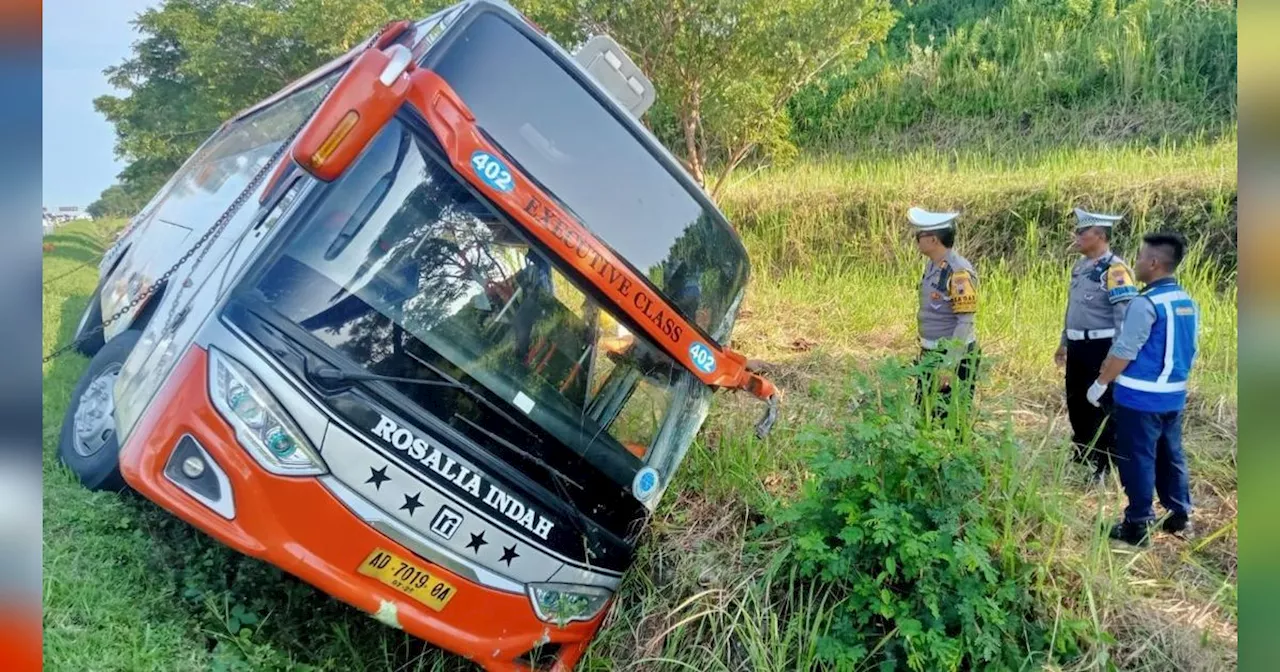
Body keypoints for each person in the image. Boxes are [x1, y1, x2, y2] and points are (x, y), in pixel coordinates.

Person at [1087, 232, 1198, 546]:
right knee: (1171, 454)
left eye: (1139, 258)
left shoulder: (1145, 302)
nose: (1134, 263)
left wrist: (1100, 383)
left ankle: (1137, 524)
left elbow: (1125, 350)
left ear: (1153, 263)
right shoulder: (1185, 301)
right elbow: (1191, 349)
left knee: (1137, 458)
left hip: (1139, 398)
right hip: (1173, 395)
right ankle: (1179, 515)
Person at [1055, 208, 1138, 483]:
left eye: (1082, 232)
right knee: (1076, 401)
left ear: (1100, 236)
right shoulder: (1080, 267)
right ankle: (1083, 454)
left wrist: (1115, 355)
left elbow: (1125, 316)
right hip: (1078, 346)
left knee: (1101, 405)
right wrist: (1064, 342)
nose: (1076, 237)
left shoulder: (1115, 269)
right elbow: (1073, 309)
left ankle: (1104, 464)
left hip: (1101, 346)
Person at [909, 207, 980, 420]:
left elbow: (965, 321)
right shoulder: (934, 266)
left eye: (918, 235)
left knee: (949, 421)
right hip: (932, 353)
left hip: (951, 357)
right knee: (925, 415)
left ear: (933, 240)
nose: (916, 240)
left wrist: (949, 365)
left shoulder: (958, 272)